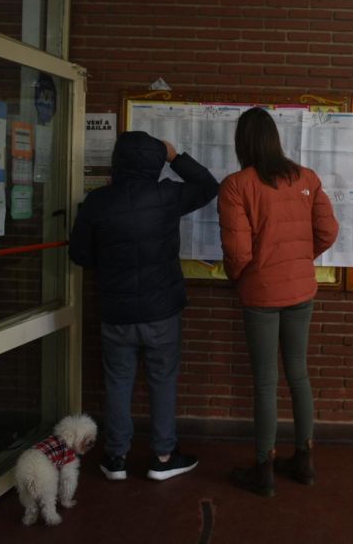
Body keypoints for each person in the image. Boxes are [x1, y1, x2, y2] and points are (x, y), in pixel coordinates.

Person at [69, 131, 219, 481]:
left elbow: (79, 254)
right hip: (162, 312)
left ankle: (116, 459)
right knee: (162, 380)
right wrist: (174, 156)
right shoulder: (167, 195)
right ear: (154, 161)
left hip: (116, 313)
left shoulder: (98, 202)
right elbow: (209, 185)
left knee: (118, 382)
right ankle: (164, 457)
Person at [218, 107, 339, 497]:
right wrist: (301, 260)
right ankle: (304, 460)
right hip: (301, 290)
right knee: (298, 375)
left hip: (261, 295)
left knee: (265, 382)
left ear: (243, 143)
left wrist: (238, 276)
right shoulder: (306, 178)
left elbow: (237, 253)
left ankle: (264, 467)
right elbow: (328, 232)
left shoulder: (237, 185)